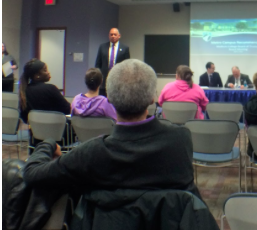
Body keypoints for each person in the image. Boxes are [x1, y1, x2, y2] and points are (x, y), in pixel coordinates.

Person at [23, 59, 201, 199]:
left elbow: (32, 174)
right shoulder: (181, 140)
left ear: (111, 99)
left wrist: (48, 143)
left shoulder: (89, 153)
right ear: (152, 99)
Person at [18, 58, 71, 124]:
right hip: (57, 130)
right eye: (45, 70)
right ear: (37, 76)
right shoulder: (50, 88)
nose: (48, 72)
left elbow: (25, 118)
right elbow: (68, 109)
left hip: (35, 132)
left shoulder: (24, 91)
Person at [95, 28, 130, 96]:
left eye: (115, 34)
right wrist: (99, 77)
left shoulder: (125, 48)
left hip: (118, 80)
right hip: (104, 80)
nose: (113, 36)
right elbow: (98, 64)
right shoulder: (102, 47)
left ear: (119, 36)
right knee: (103, 101)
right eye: (111, 34)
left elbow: (127, 65)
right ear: (109, 36)